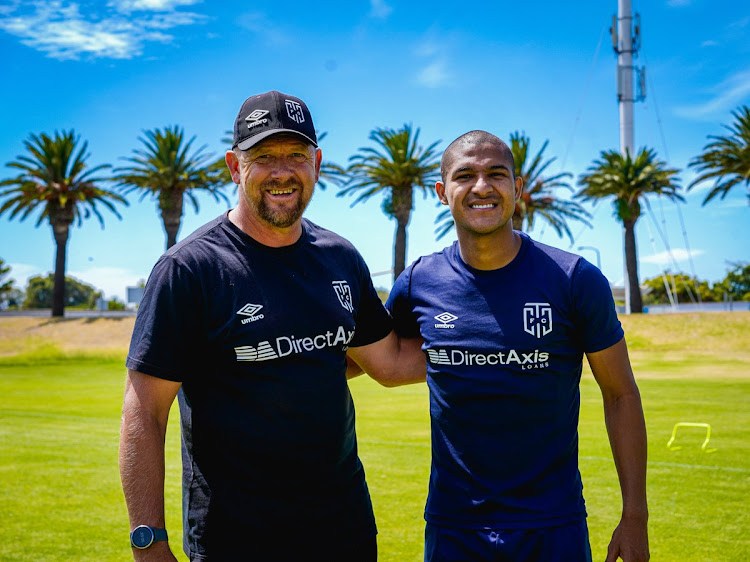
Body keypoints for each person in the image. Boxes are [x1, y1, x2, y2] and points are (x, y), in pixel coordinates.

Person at [119, 90, 423, 561]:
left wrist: (498, 340)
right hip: (234, 539)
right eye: (264, 156)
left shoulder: (340, 259)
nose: (282, 171)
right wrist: (148, 542)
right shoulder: (190, 269)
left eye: (296, 155)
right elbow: (145, 411)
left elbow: (390, 362)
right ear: (234, 166)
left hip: (344, 532)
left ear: (317, 162)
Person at [382, 130, 649, 561]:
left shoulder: (575, 279)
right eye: (465, 175)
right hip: (454, 527)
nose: (482, 186)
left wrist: (635, 516)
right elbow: (374, 357)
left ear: (517, 188)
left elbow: (621, 394)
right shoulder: (418, 282)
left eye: (497, 174)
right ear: (441, 191)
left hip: (553, 525)